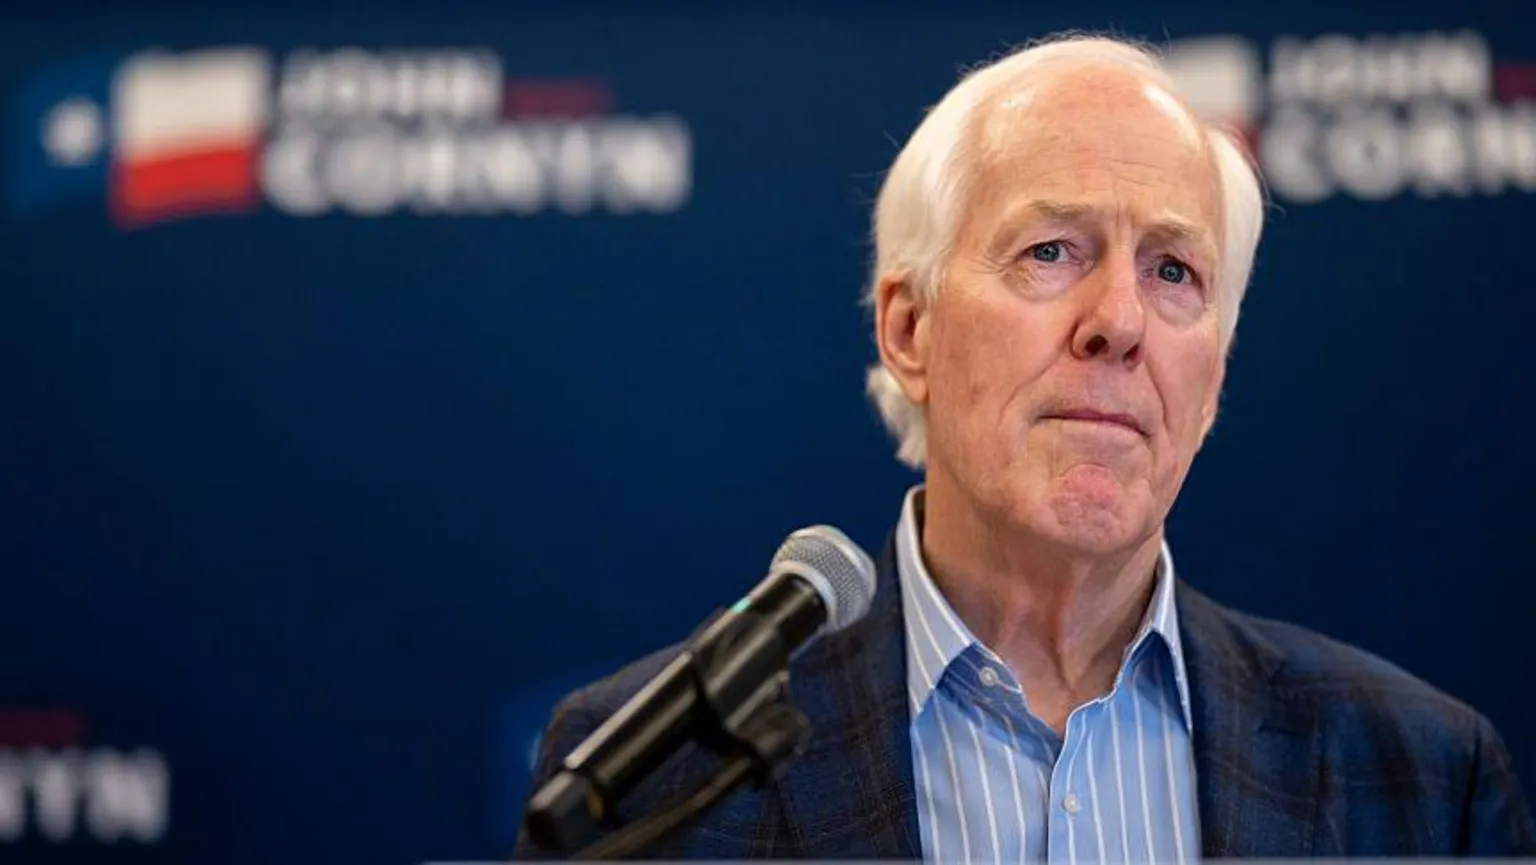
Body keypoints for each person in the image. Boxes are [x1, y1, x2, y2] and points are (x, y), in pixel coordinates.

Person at [516, 33, 1536, 860]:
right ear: (907, 331)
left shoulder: (1421, 776)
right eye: (1052, 251)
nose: (1120, 321)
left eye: (1175, 272)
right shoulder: (664, 781)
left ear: (1213, 375)